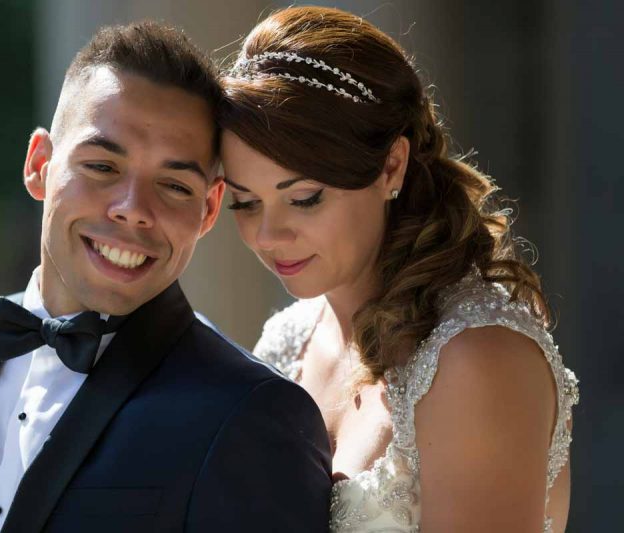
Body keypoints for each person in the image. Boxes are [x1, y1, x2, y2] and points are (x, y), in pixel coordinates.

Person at [0, 22, 332, 533]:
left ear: (210, 209)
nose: (133, 210)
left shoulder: (250, 414)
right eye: (102, 167)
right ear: (39, 164)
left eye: (173, 185)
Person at [219, 6, 579, 532]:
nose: (268, 235)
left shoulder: (476, 359)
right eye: (245, 203)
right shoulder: (287, 341)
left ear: (392, 165)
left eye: (304, 198)